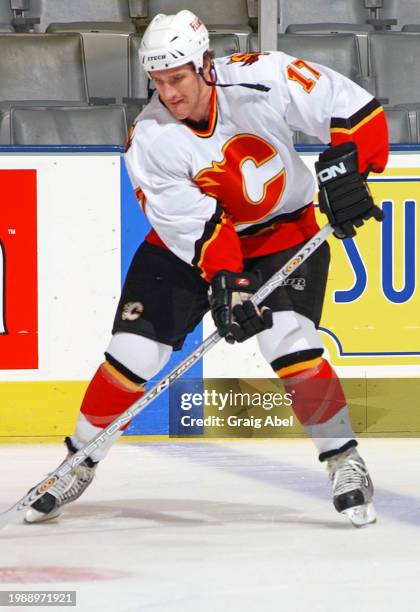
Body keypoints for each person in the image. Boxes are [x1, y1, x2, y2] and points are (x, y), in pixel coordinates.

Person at [25, 10, 388, 527]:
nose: (168, 93)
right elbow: (196, 229)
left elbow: (348, 104)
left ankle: (343, 459)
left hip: (285, 235)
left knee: (290, 343)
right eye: (158, 82)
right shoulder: (150, 139)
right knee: (131, 354)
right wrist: (231, 284)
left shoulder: (261, 75)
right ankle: (78, 460)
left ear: (206, 65)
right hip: (190, 250)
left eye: (177, 79)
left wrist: (352, 167)